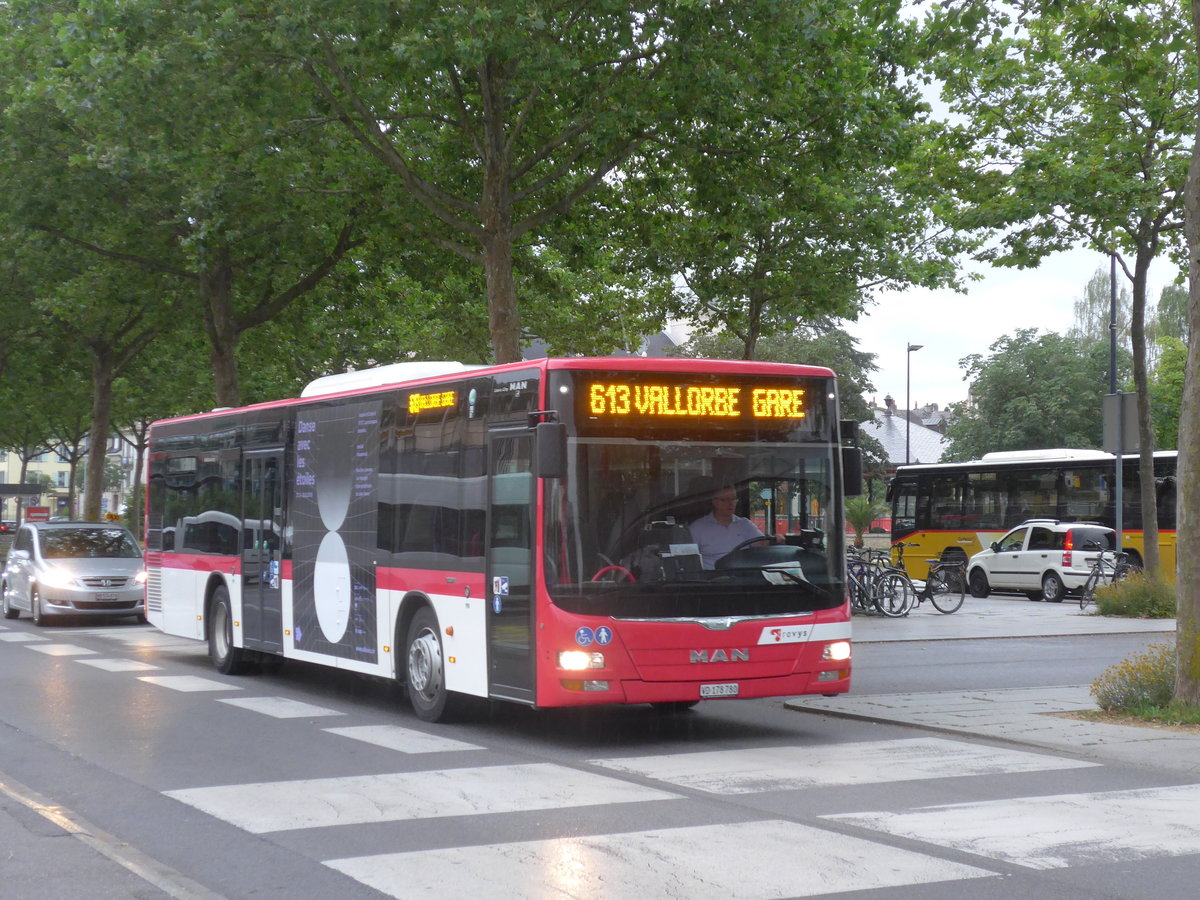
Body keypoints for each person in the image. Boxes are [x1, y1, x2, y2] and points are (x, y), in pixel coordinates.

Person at [690, 485, 782, 570]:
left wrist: (775, 540)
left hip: (742, 577)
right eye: (725, 499)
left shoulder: (745, 524)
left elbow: (761, 545)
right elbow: (689, 559)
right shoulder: (698, 527)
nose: (730, 503)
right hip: (712, 580)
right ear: (715, 502)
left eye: (733, 499)